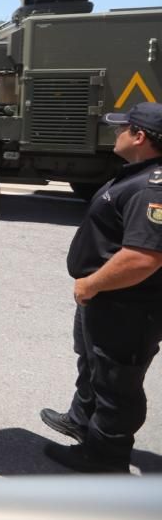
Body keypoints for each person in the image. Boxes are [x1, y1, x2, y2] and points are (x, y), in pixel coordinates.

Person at [40, 101, 162, 473]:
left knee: (116, 383)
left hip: (126, 305)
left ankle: (105, 459)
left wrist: (91, 284)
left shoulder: (151, 187)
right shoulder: (139, 173)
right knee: (92, 363)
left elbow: (144, 258)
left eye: (122, 128)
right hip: (106, 299)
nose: (116, 133)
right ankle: (81, 420)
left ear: (139, 136)